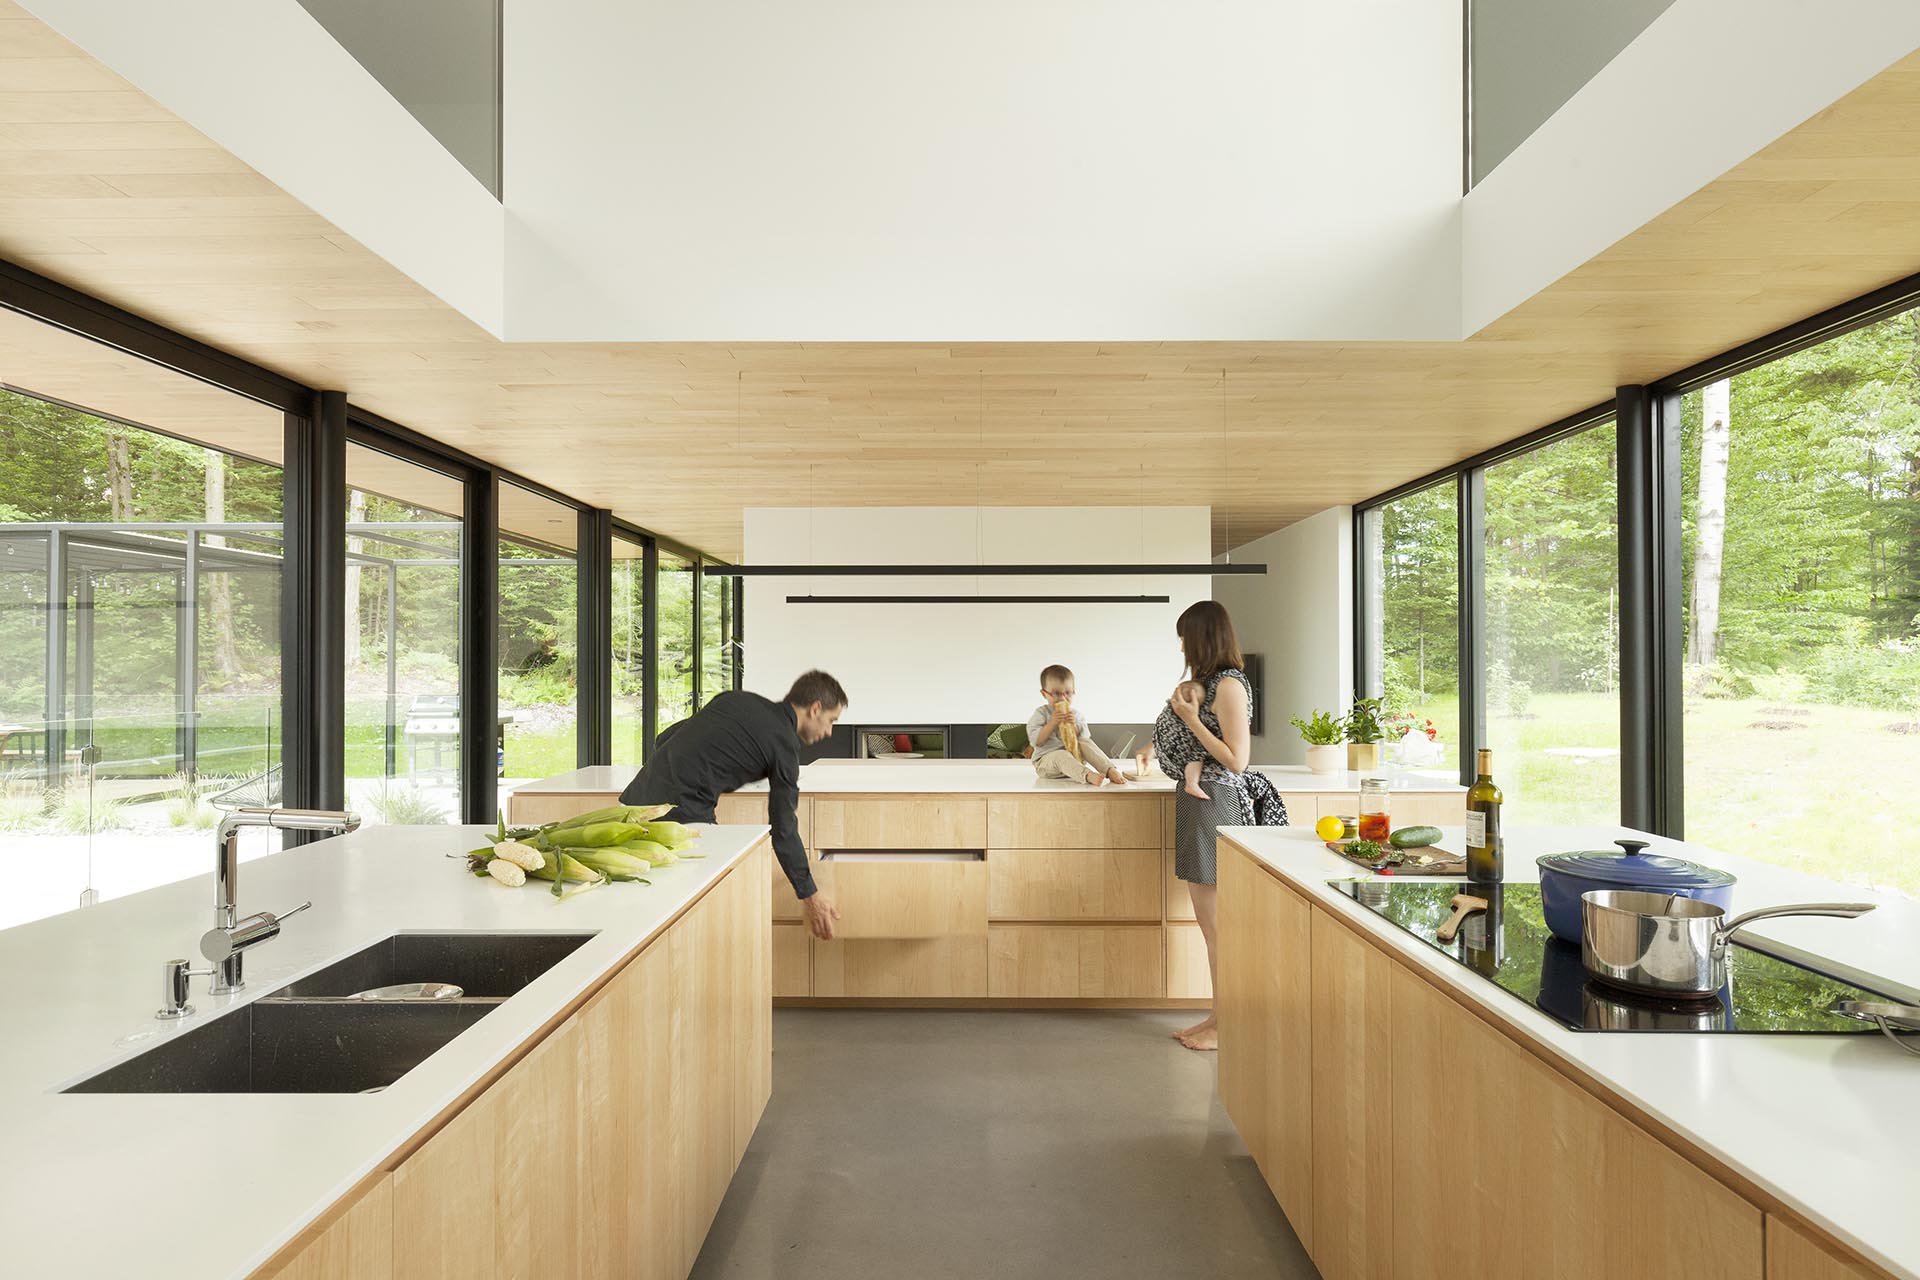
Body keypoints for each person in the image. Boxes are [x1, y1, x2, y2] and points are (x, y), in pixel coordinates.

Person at [620, 670, 847, 941]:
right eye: (831, 721)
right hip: (679, 817)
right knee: (707, 913)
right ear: (815, 709)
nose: (830, 731)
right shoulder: (784, 745)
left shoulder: (737, 700)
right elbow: (784, 828)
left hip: (633, 803)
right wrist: (810, 895)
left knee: (650, 909)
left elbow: (667, 737)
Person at [1159, 602, 1288, 1051]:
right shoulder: (1208, 683)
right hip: (1199, 803)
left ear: (1201, 638)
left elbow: (1237, 759)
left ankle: (1229, 1024)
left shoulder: (1229, 685)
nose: (1181, 646)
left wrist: (1192, 720)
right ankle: (1219, 1014)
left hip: (1217, 803)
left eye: (1184, 637)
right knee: (1210, 922)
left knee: (1220, 924)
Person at [1026, 664, 1129, 787]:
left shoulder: (1076, 715)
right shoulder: (1041, 714)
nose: (1063, 698)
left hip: (1076, 761)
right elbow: (1036, 741)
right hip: (1047, 764)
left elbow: (1084, 738)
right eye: (1057, 693)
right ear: (1044, 694)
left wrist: (1073, 725)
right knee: (1060, 754)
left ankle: (1109, 769)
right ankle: (1088, 775)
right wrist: (1052, 723)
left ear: (1074, 692)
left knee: (1085, 743)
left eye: (1068, 693)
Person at [1153, 679, 1212, 800]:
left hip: (1167, 755)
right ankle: (1192, 784)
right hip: (1180, 758)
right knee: (1197, 757)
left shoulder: (1167, 710)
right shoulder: (1183, 717)